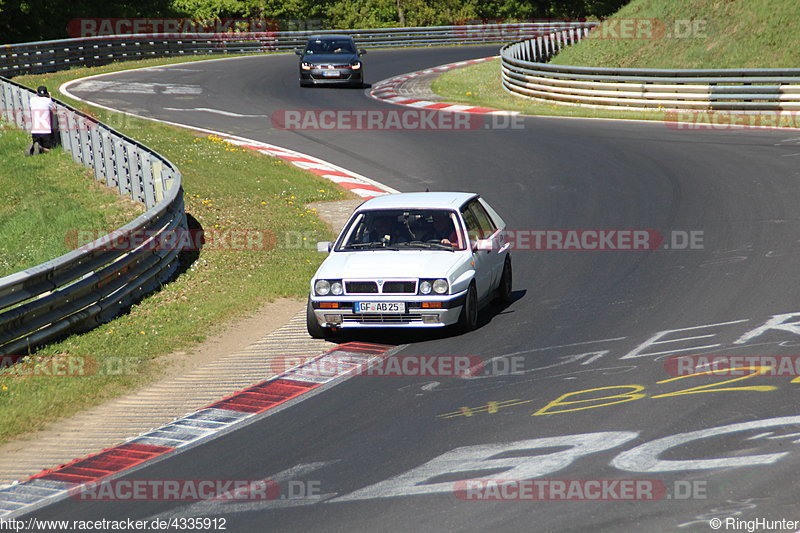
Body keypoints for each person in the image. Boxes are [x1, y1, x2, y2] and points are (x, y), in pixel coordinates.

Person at [28, 86, 56, 155]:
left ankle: (33, 147)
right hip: (46, 131)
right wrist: (49, 97)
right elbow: (54, 110)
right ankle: (41, 148)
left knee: (37, 143)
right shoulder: (48, 101)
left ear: (37, 93)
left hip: (35, 130)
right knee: (48, 149)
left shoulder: (32, 100)